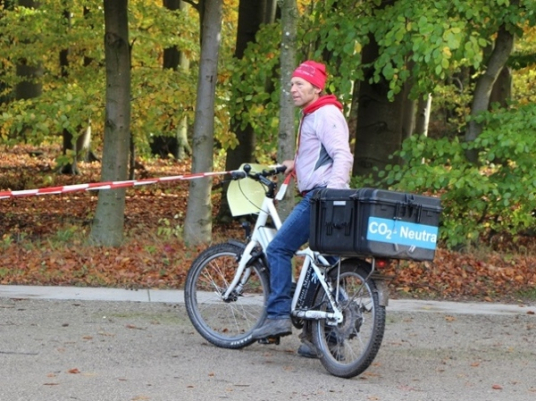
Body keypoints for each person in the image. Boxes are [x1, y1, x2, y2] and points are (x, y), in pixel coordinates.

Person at [250, 60, 354, 357]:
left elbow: (342, 155)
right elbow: (321, 156)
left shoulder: (325, 114)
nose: (293, 89)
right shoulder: (313, 114)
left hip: (322, 197)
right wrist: (295, 164)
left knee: (278, 249)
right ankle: (322, 340)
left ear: (316, 87)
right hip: (328, 195)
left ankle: (277, 316)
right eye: (292, 84)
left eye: (299, 84)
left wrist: (331, 195)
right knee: (323, 266)